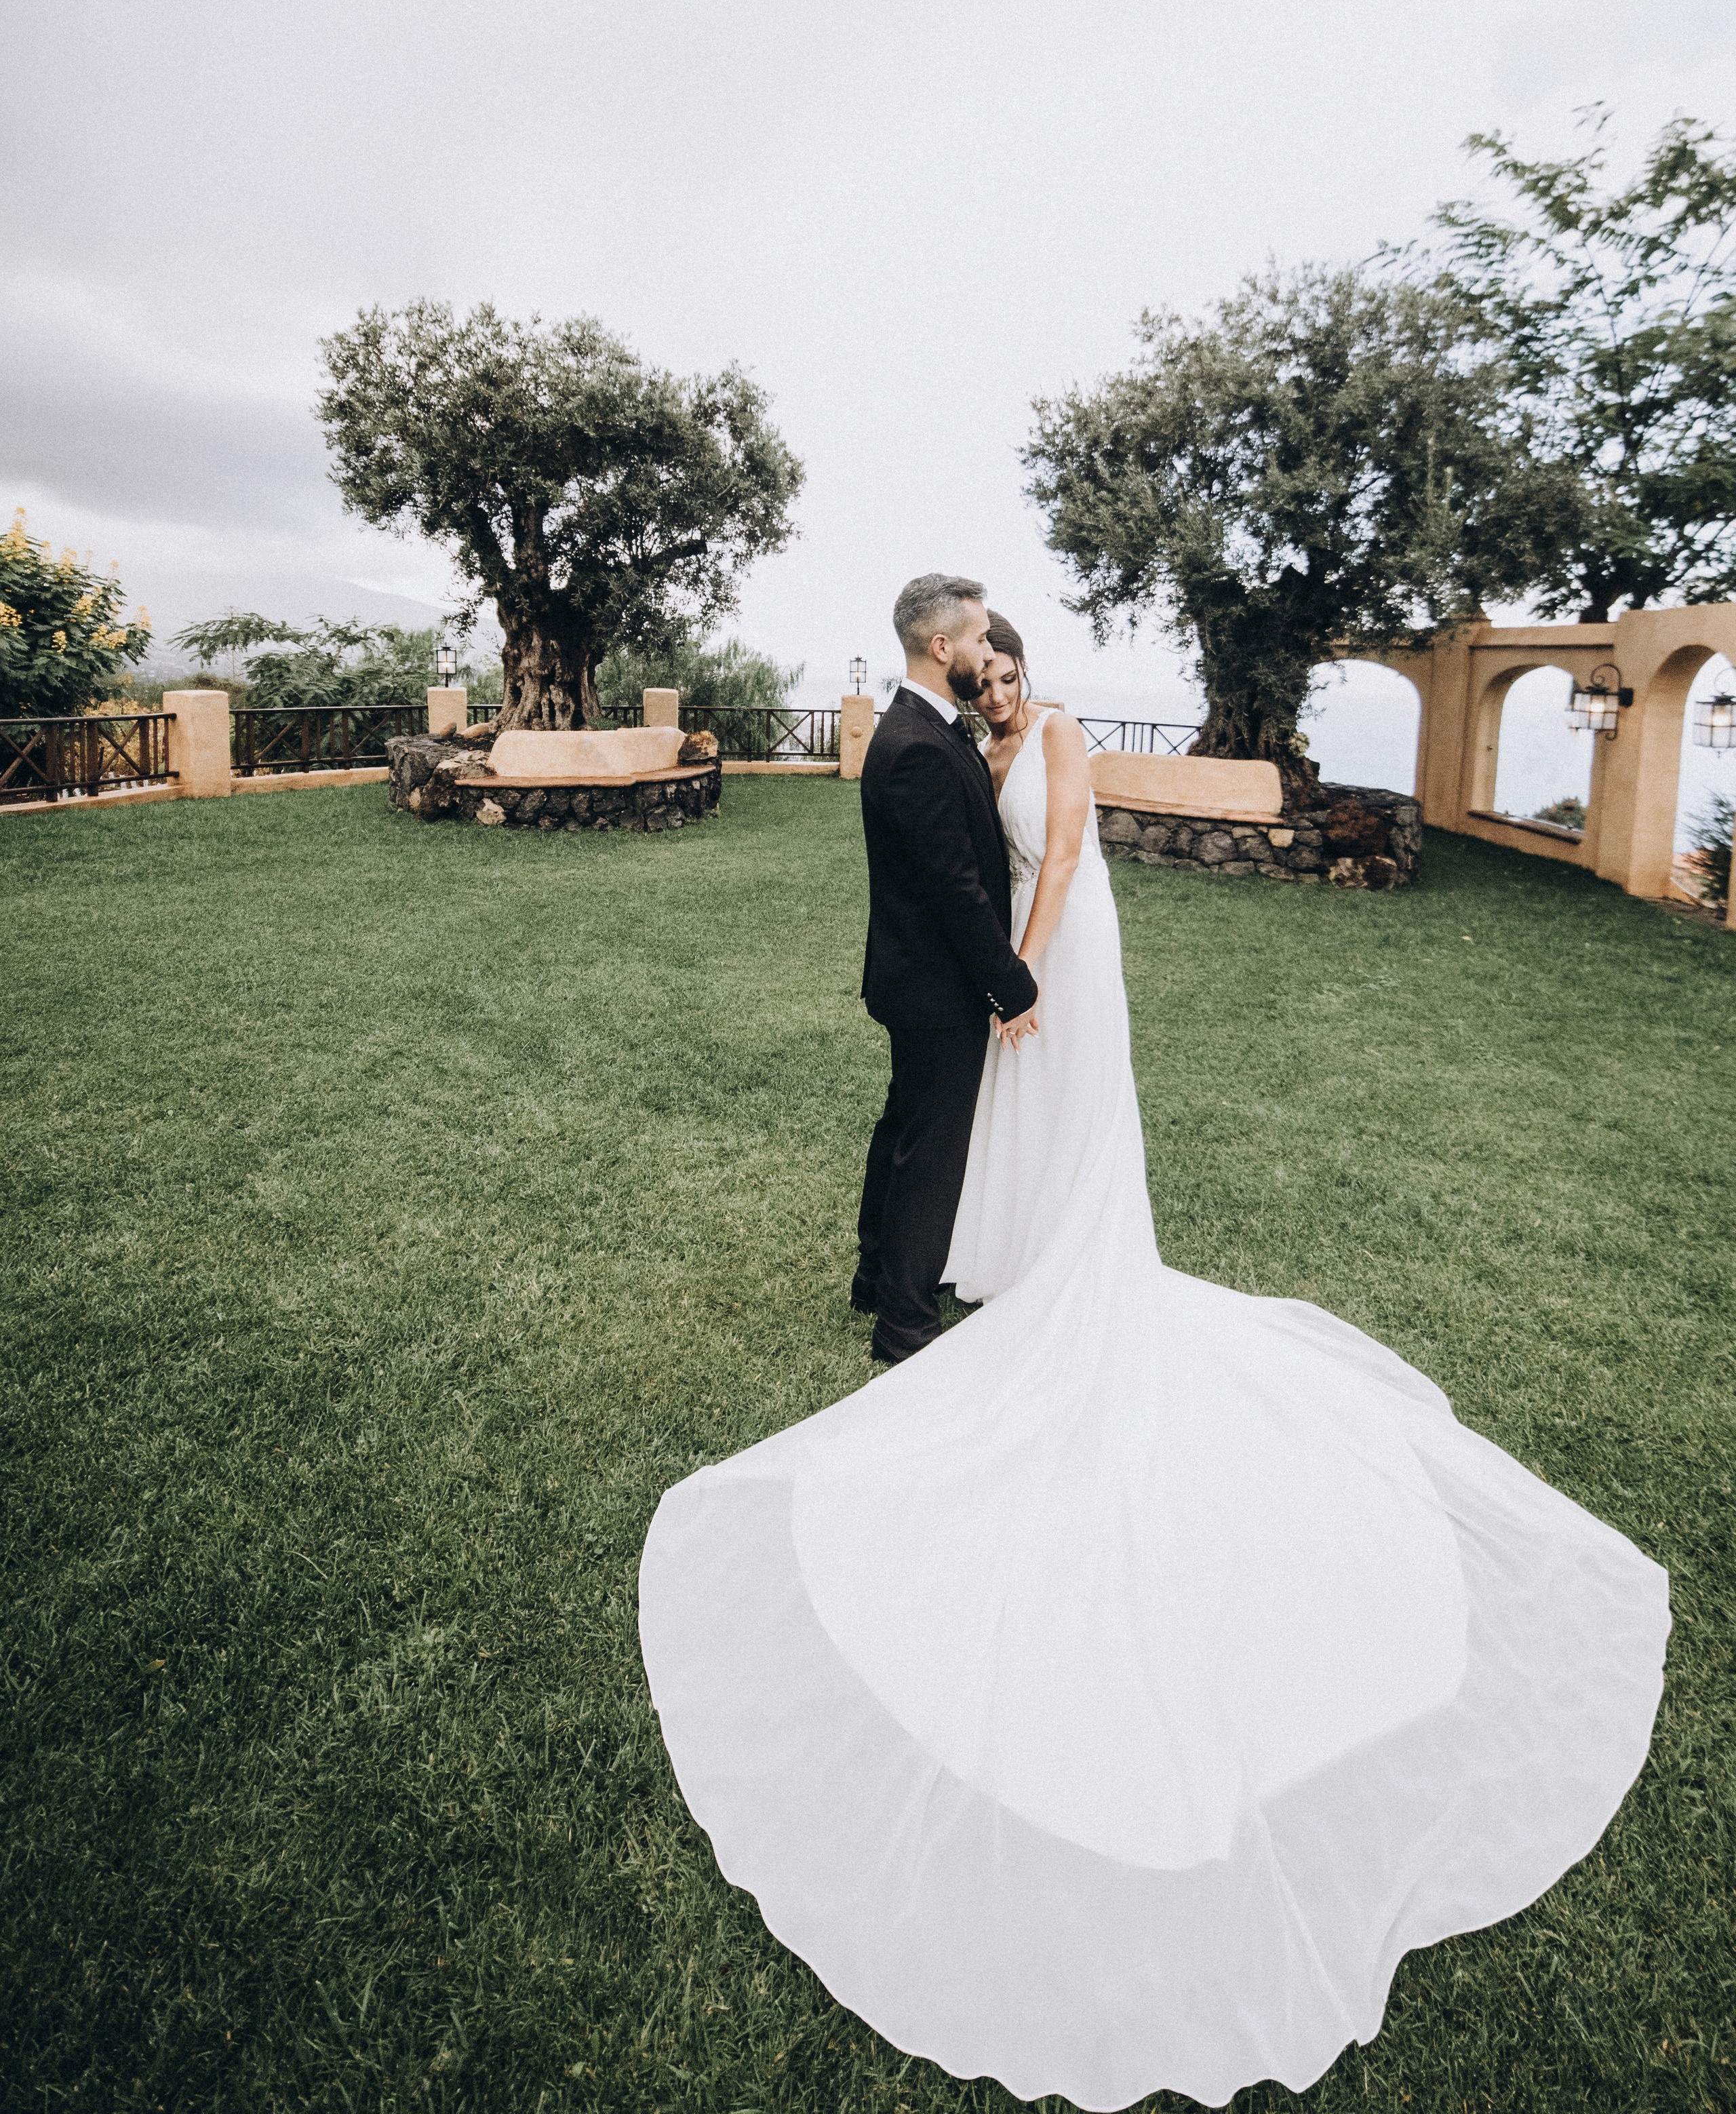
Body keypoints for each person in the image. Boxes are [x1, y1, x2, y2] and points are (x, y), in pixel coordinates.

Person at [639, 603, 1670, 2111]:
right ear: (956, 664)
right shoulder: (968, 738)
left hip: (1061, 955)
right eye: (975, 661)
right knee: (988, 1136)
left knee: (1042, 1125)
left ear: (1013, 666)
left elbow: (1051, 861)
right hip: (1007, 967)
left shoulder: (1047, 736)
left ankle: (1040, 1267)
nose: (993, 677)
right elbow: (969, 859)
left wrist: (1028, 975)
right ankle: (979, 1262)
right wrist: (1006, 976)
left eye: (1000, 660)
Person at [850, 574, 1039, 1365]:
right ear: (941, 648)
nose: (985, 649)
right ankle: (904, 1322)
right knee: (931, 1147)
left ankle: (873, 1277)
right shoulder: (915, 747)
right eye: (976, 639)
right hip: (935, 986)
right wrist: (1012, 983)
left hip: (915, 978)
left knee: (903, 1127)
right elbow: (955, 891)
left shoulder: (925, 728)